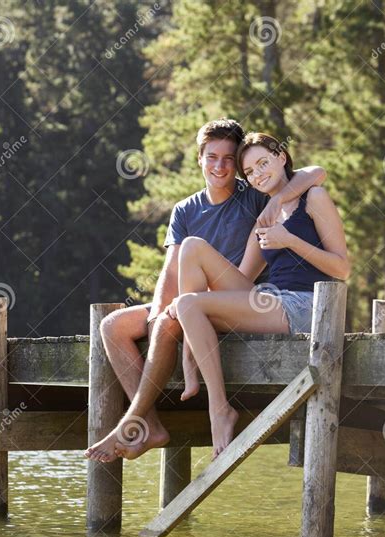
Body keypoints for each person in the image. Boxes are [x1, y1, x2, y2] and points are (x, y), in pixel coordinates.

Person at [85, 121, 326, 462]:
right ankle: (150, 426)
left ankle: (130, 422)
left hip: (242, 300)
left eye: (229, 159)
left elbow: (315, 172)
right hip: (193, 300)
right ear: (199, 159)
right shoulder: (185, 209)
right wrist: (157, 312)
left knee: (179, 304)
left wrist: (278, 202)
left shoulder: (254, 194)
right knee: (113, 326)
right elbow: (170, 270)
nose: (220, 166)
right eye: (212, 157)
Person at [168, 132, 351, 458]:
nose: (258, 174)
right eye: (250, 172)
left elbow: (342, 268)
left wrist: (290, 240)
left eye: (263, 163)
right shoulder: (264, 216)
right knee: (192, 249)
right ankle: (189, 351)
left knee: (189, 304)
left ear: (282, 157)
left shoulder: (314, 198)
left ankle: (219, 409)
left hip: (304, 305)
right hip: (268, 298)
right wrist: (195, 309)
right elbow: (242, 277)